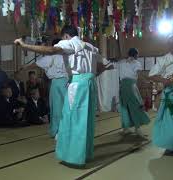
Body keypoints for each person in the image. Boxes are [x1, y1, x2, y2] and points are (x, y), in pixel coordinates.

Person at [15, 25, 110, 166]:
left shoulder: (69, 43)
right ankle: (85, 153)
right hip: (90, 83)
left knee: (71, 118)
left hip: (77, 84)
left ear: (65, 36)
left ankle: (74, 155)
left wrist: (25, 45)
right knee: (86, 120)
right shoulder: (89, 46)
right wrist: (90, 76)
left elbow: (51, 50)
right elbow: (104, 65)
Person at [21, 38, 68, 137]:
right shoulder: (67, 54)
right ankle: (66, 130)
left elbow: (37, 64)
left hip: (57, 82)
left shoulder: (52, 55)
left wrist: (25, 67)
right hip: (68, 82)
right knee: (66, 107)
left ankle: (58, 131)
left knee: (56, 108)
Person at [117, 48, 150, 137]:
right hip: (131, 86)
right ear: (135, 55)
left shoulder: (121, 62)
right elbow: (139, 73)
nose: (138, 56)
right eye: (138, 54)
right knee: (135, 106)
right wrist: (147, 80)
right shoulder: (136, 63)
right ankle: (137, 128)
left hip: (122, 86)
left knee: (124, 107)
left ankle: (125, 128)